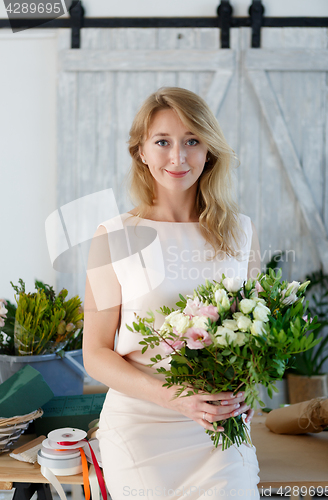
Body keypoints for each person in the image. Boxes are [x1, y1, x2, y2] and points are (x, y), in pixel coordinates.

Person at [83, 87, 261, 499]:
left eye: (192, 141)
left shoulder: (242, 231)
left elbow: (253, 337)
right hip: (141, 424)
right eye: (162, 142)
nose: (177, 157)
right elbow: (95, 353)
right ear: (141, 152)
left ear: (209, 151)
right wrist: (178, 400)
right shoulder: (113, 236)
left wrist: (249, 387)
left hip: (216, 427)